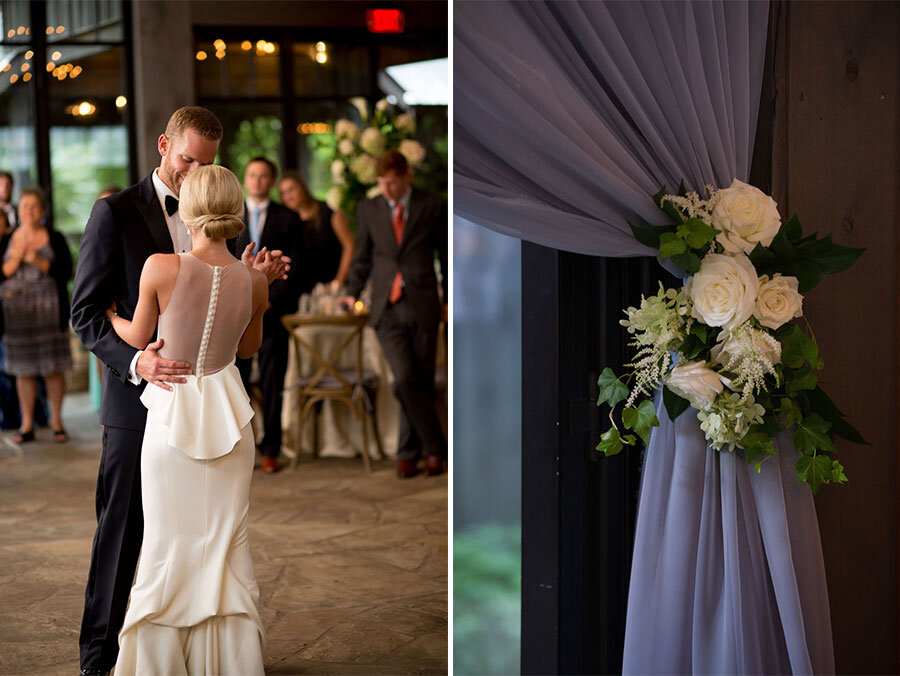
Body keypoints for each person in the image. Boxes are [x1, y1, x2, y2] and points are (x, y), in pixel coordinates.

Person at [71, 106, 288, 676]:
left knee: (193, 534)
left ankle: (191, 654)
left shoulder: (208, 213)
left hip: (206, 400)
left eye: (206, 164)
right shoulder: (113, 213)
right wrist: (136, 360)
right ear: (165, 145)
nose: (194, 172)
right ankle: (100, 655)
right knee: (122, 528)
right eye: (187, 159)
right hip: (135, 397)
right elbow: (86, 314)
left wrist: (241, 275)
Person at [105, 164, 268, 674]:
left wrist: (110, 314)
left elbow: (137, 338)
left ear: (190, 209)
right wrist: (254, 284)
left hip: (173, 414)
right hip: (229, 416)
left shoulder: (161, 266)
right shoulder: (254, 279)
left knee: (165, 543)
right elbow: (246, 347)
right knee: (225, 545)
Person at [340, 150, 448, 478]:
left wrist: (449, 299)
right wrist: (350, 293)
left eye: (393, 183)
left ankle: (409, 452)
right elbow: (362, 256)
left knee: (421, 380)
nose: (387, 190)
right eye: (382, 183)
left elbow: (445, 254)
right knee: (403, 378)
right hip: (386, 306)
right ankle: (435, 448)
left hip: (424, 302)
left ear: (407, 177)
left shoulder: (432, 204)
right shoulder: (370, 208)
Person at [233, 157, 304, 474]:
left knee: (275, 380)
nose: (257, 181)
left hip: (274, 312)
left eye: (263, 176)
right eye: (252, 175)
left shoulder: (288, 217)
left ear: (271, 181)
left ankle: (271, 447)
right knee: (239, 380)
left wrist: (267, 300)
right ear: (245, 179)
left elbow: (295, 267)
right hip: (237, 312)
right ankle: (241, 444)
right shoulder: (232, 217)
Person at [0, 187, 72, 443]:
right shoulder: (7, 238)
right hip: (16, 315)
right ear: (18, 211)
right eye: (24, 206)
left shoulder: (55, 236)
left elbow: (66, 272)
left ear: (42, 211)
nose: (29, 211)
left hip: (50, 312)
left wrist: (35, 258)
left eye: (34, 206)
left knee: (53, 368)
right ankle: (26, 424)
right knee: (23, 370)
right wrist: (16, 259)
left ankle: (57, 422)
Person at [279, 170, 355, 290]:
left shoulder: (329, 211)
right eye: (283, 193)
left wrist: (338, 281)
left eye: (291, 189)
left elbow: (349, 246)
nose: (288, 196)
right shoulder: (286, 221)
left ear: (303, 188)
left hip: (331, 286)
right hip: (300, 290)